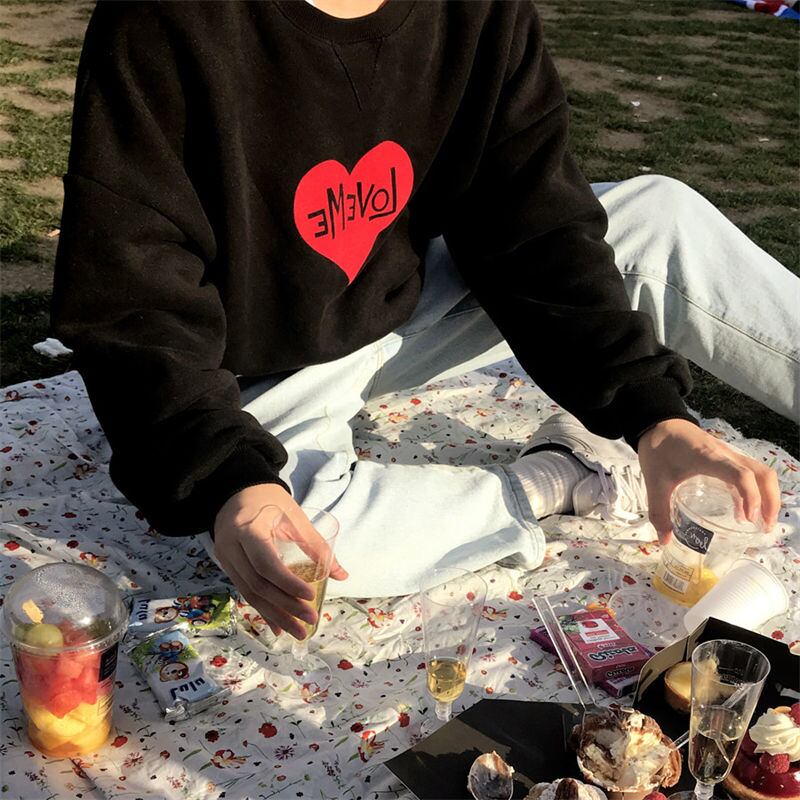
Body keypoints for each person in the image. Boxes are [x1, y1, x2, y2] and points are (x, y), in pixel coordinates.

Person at [51, 0, 796, 641]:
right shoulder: (164, 21)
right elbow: (131, 292)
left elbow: (534, 226)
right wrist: (223, 477)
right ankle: (559, 476)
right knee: (286, 543)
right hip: (255, 366)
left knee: (657, 215)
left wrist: (652, 413)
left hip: (409, 301)